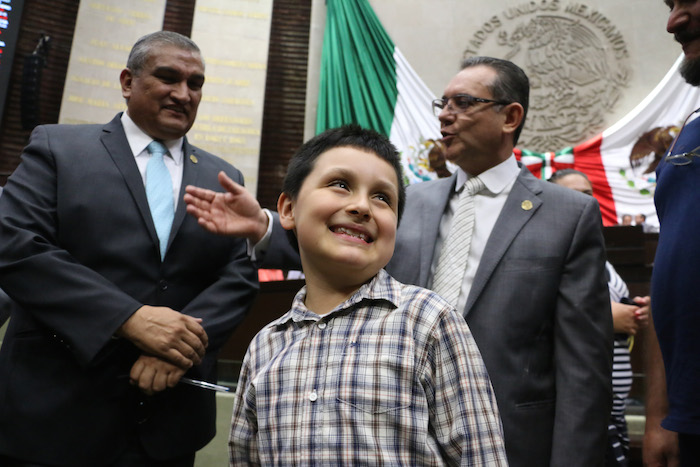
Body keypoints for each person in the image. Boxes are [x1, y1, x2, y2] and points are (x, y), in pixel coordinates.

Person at [185, 56, 613, 466]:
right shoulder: (406, 202)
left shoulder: (567, 214)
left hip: (508, 438)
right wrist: (265, 226)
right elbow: (345, 254)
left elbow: (584, 365)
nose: (445, 115)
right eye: (442, 103)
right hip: (381, 418)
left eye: (463, 103)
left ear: (510, 117)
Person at [0, 31, 258, 466]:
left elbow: (238, 275)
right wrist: (128, 319)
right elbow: (16, 245)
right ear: (127, 81)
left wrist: (181, 348)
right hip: (52, 415)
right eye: (168, 77)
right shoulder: (58, 148)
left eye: (195, 84)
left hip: (165, 425)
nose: (183, 93)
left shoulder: (222, 176)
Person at [228, 125, 507, 465]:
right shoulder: (265, 347)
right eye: (340, 184)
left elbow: (481, 457)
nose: (362, 206)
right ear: (288, 209)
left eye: (382, 197)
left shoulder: (428, 321)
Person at [549, 168, 651, 466]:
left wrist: (635, 308)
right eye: (574, 195)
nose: (585, 203)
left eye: (589, 195)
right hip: (579, 410)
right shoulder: (549, 251)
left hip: (613, 406)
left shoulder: (598, 254)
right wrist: (609, 316)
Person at [645, 1, 700, 465]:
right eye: (670, 3)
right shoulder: (692, 127)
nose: (674, 21)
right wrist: (661, 413)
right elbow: (673, 275)